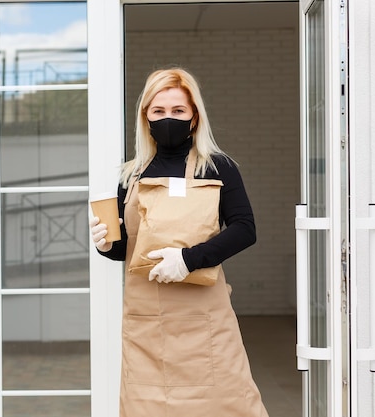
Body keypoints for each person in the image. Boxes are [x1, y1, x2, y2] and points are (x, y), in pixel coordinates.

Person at [89, 67, 269, 417]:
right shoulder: (131, 176)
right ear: (146, 117)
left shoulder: (218, 167)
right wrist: (107, 245)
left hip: (204, 321)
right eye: (158, 111)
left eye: (177, 111)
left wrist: (189, 259)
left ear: (193, 117)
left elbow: (245, 228)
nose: (167, 118)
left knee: (226, 406)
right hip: (147, 326)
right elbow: (131, 248)